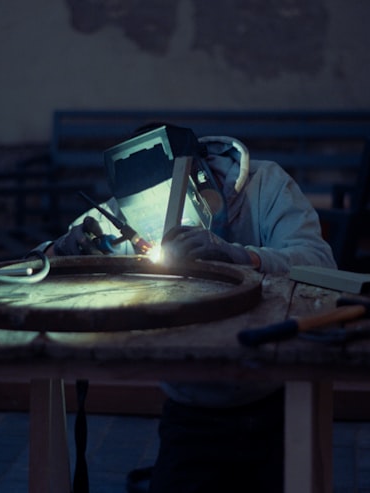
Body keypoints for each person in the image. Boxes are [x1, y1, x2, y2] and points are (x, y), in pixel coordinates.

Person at [51, 125, 336, 493]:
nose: (159, 233)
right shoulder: (120, 215)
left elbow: (321, 264)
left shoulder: (266, 185)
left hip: (275, 400)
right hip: (190, 412)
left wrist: (243, 257)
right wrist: (65, 250)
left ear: (202, 178)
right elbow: (44, 257)